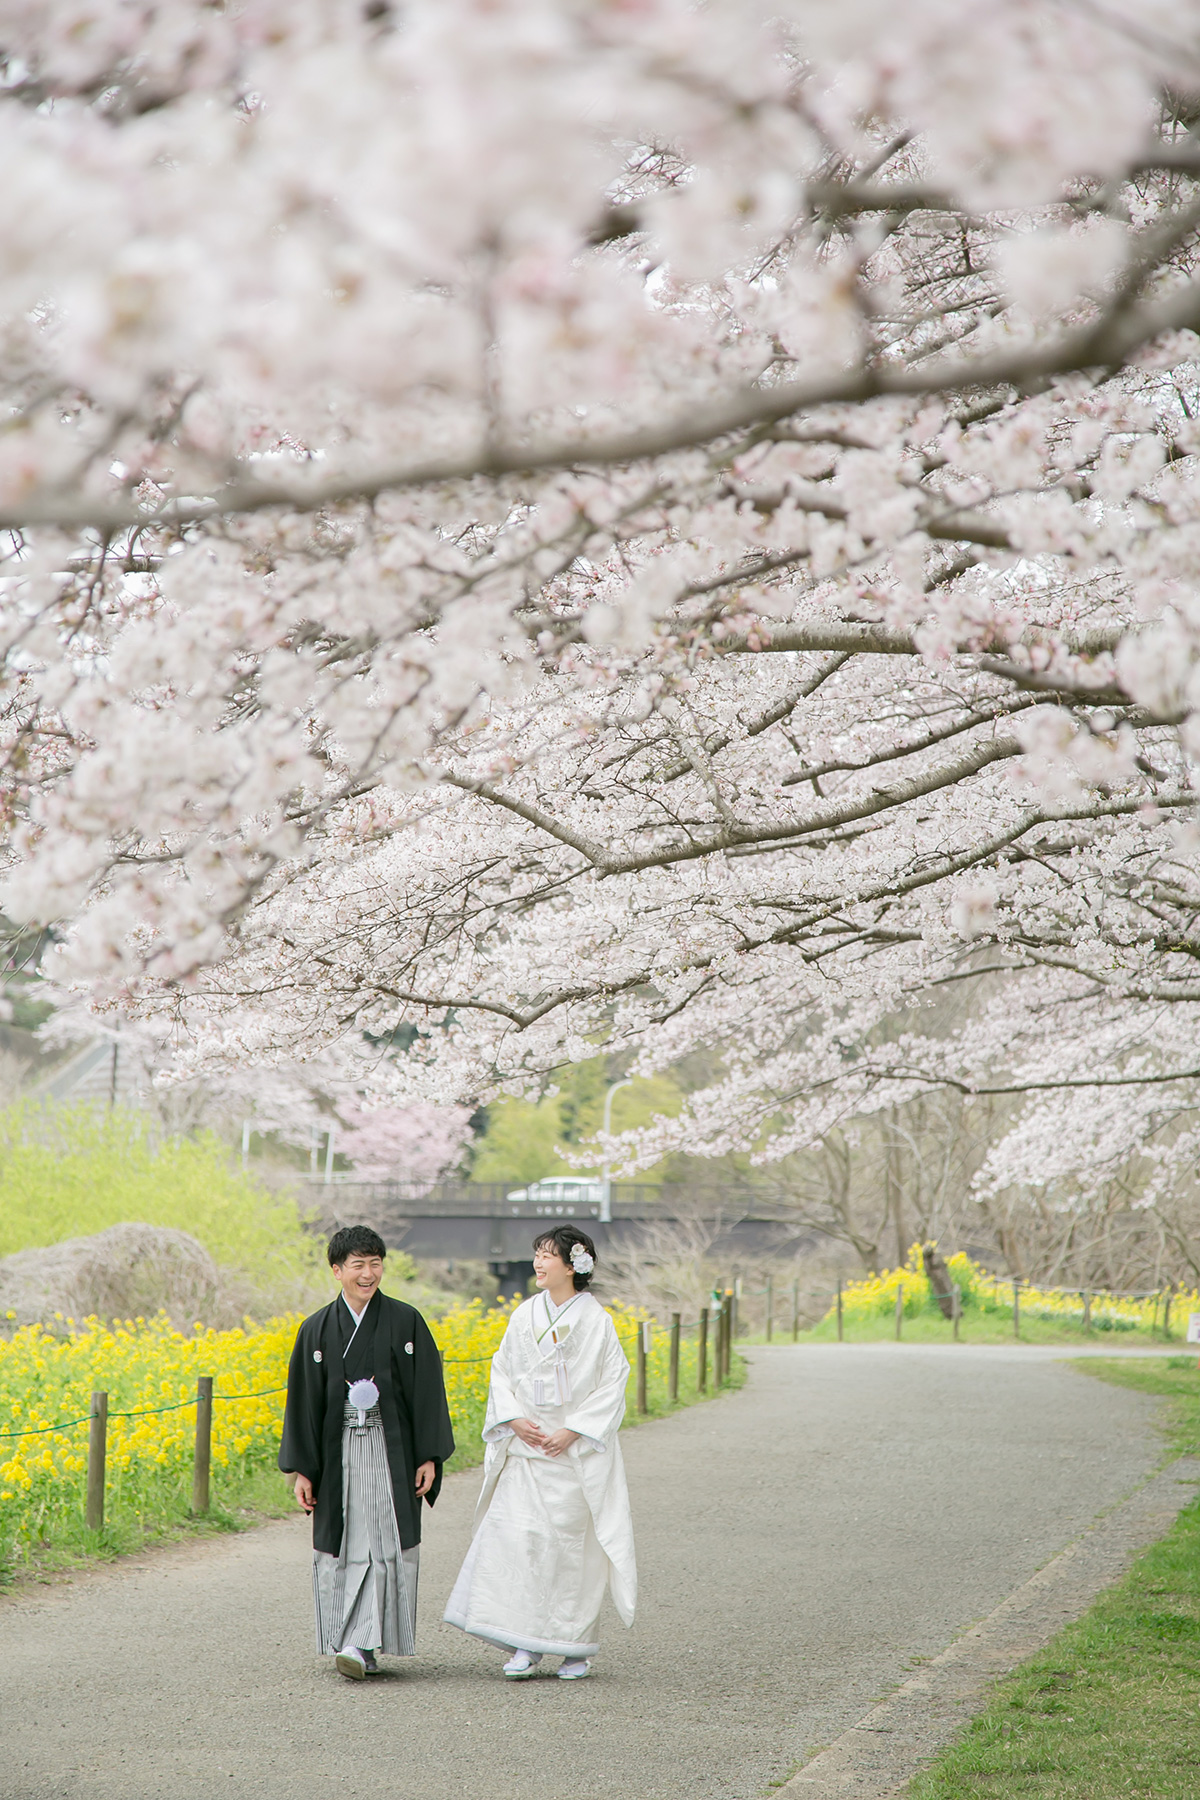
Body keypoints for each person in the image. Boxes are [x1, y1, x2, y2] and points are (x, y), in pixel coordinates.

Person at [443, 1224, 636, 1681]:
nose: (538, 1263)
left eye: (548, 1255)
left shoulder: (596, 1321)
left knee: (570, 1551)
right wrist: (512, 1420)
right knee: (519, 1543)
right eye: (536, 1254)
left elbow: (613, 1382)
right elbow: (502, 1371)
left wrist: (573, 1430)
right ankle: (523, 1644)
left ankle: (573, 1648)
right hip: (527, 1449)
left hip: (570, 1456)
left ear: (574, 1265)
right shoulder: (524, 1314)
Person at [278, 1225, 454, 1679]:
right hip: (338, 1454)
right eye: (357, 1264)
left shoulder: (405, 1320)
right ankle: (357, 1641)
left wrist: (428, 1455)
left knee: (384, 1539)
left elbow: (427, 1391)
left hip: (390, 1450)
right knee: (349, 1540)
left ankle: (366, 1642)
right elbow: (304, 1403)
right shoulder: (316, 1329)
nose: (368, 1273)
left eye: (375, 1263)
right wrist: (303, 1470)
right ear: (337, 1271)